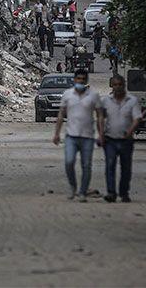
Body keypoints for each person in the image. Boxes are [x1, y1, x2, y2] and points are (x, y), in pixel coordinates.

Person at [52, 70, 102, 202]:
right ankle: (73, 187)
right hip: (71, 136)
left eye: (83, 79)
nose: (80, 81)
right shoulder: (68, 94)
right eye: (78, 78)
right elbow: (61, 114)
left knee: (86, 165)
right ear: (74, 80)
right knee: (69, 162)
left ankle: (82, 192)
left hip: (88, 136)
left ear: (86, 81)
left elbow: (100, 115)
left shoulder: (94, 95)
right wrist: (56, 133)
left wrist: (101, 134)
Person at [98, 75, 141, 203]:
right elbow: (101, 118)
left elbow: (137, 118)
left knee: (126, 168)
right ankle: (111, 192)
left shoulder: (132, 101)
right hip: (110, 139)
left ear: (124, 85)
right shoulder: (106, 101)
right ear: (112, 86)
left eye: (119, 85)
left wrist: (130, 131)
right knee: (110, 166)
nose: (117, 87)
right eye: (115, 85)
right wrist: (100, 134)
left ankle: (124, 192)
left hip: (126, 140)